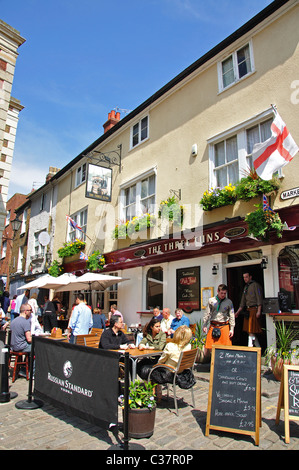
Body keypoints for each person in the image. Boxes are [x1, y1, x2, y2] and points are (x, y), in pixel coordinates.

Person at [203, 284, 235, 355]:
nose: (223, 295)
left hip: (224, 326)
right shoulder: (211, 300)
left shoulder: (229, 302)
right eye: (221, 293)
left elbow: (232, 315)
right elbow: (207, 313)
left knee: (226, 347)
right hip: (213, 325)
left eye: (225, 293)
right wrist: (204, 325)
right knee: (210, 347)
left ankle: (223, 363)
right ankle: (213, 362)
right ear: (218, 291)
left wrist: (232, 329)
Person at [235, 271, 263, 347]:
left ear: (250, 277)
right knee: (249, 331)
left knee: (251, 330)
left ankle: (250, 348)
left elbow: (259, 298)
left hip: (254, 309)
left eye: (246, 277)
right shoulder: (246, 287)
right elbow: (242, 302)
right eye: (244, 277)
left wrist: (259, 311)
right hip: (248, 310)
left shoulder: (255, 285)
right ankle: (258, 348)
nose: (245, 279)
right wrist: (237, 312)